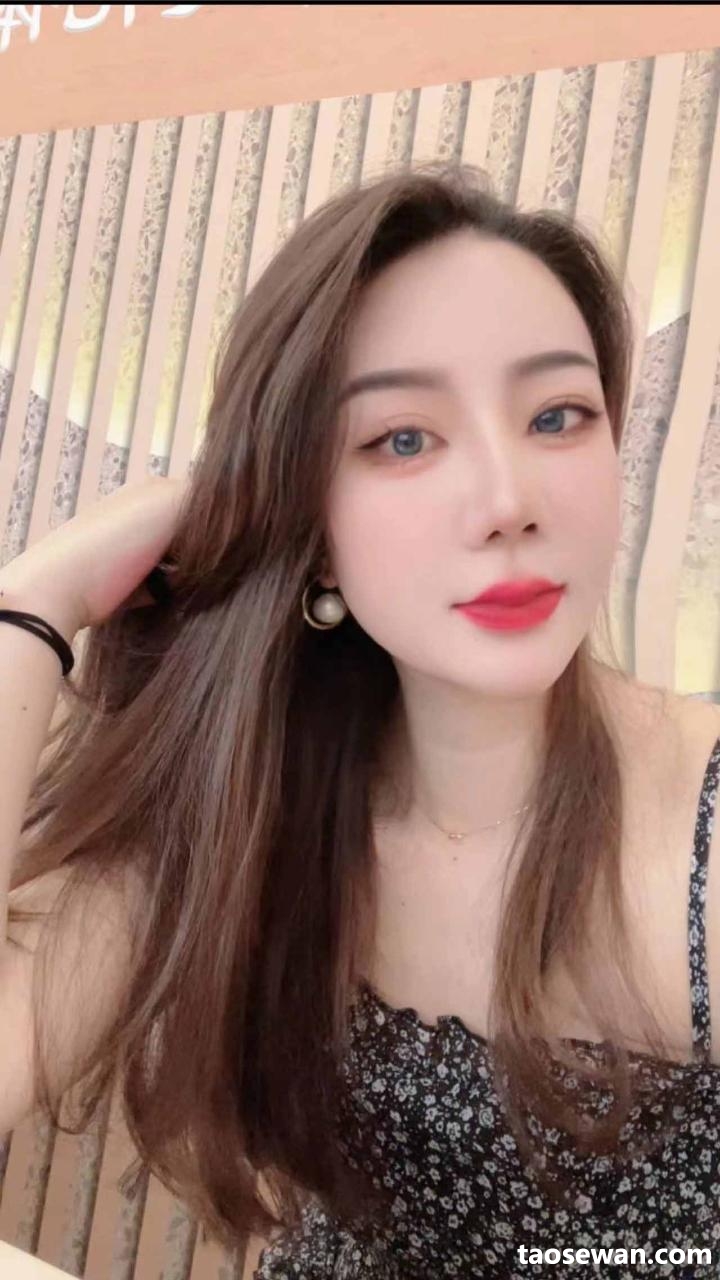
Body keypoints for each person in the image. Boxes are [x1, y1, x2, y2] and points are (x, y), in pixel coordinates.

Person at [1, 163, 719, 1280]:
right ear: (310, 523)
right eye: (402, 438)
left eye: (557, 416)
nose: (508, 501)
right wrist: (36, 603)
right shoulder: (252, 796)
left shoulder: (698, 833)